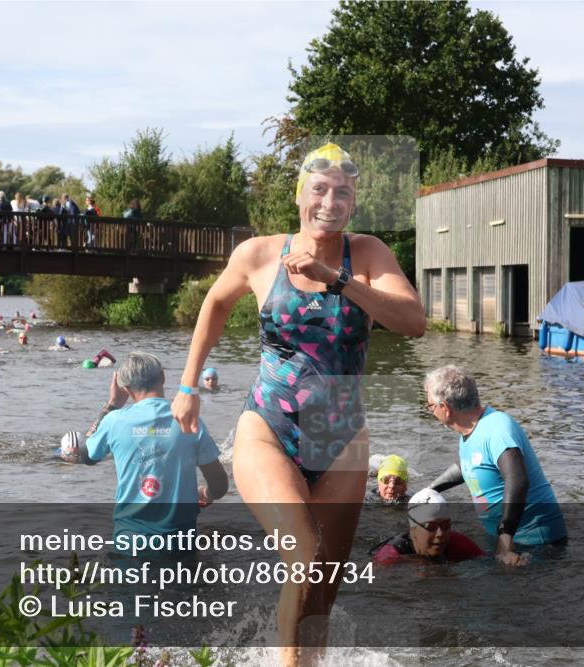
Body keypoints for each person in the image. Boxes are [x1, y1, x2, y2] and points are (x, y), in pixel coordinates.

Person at [171, 142, 426, 664]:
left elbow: (413, 322)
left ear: (353, 203)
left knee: (323, 592)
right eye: (319, 189)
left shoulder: (367, 254)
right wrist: (188, 386)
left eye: (343, 193)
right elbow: (215, 303)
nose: (330, 202)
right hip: (269, 429)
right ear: (299, 196)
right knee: (305, 562)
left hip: (343, 443)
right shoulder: (259, 255)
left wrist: (339, 281)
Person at [59, 353, 229, 546]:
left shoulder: (113, 421)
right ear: (163, 377)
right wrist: (206, 494)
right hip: (180, 541)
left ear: (125, 389)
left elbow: (86, 456)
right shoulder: (189, 419)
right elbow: (220, 486)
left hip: (130, 540)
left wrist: (112, 405)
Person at [423, 365, 567, 567]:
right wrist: (429, 490)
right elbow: (469, 465)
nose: (430, 411)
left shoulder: (498, 429)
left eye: (430, 406)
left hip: (536, 542)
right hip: (504, 536)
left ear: (445, 408)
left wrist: (505, 538)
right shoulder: (471, 429)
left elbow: (517, 480)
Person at [370, 489, 484, 565]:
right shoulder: (389, 557)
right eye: (431, 527)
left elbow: (487, 564)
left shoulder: (458, 542)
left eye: (445, 525)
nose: (440, 534)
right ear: (413, 530)